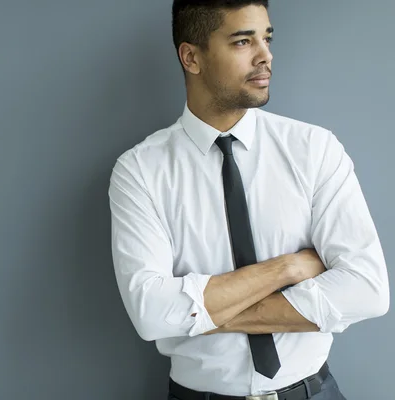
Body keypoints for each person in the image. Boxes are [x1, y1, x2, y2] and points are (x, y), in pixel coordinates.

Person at [108, 1, 390, 399]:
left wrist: (198, 314)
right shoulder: (140, 171)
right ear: (191, 57)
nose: (266, 55)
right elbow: (151, 314)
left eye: (266, 38)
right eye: (243, 41)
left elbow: (367, 290)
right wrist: (288, 268)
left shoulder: (314, 150)